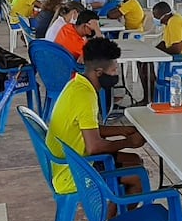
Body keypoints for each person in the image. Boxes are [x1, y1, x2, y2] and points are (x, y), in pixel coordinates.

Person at [45, 36, 147, 197]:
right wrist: (129, 142)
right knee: (138, 177)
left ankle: (115, 211)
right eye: (113, 71)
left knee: (135, 160)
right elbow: (95, 147)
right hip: (72, 173)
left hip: (72, 161)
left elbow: (88, 128)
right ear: (98, 72)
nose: (116, 74)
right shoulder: (85, 96)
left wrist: (123, 130)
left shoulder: (77, 84)